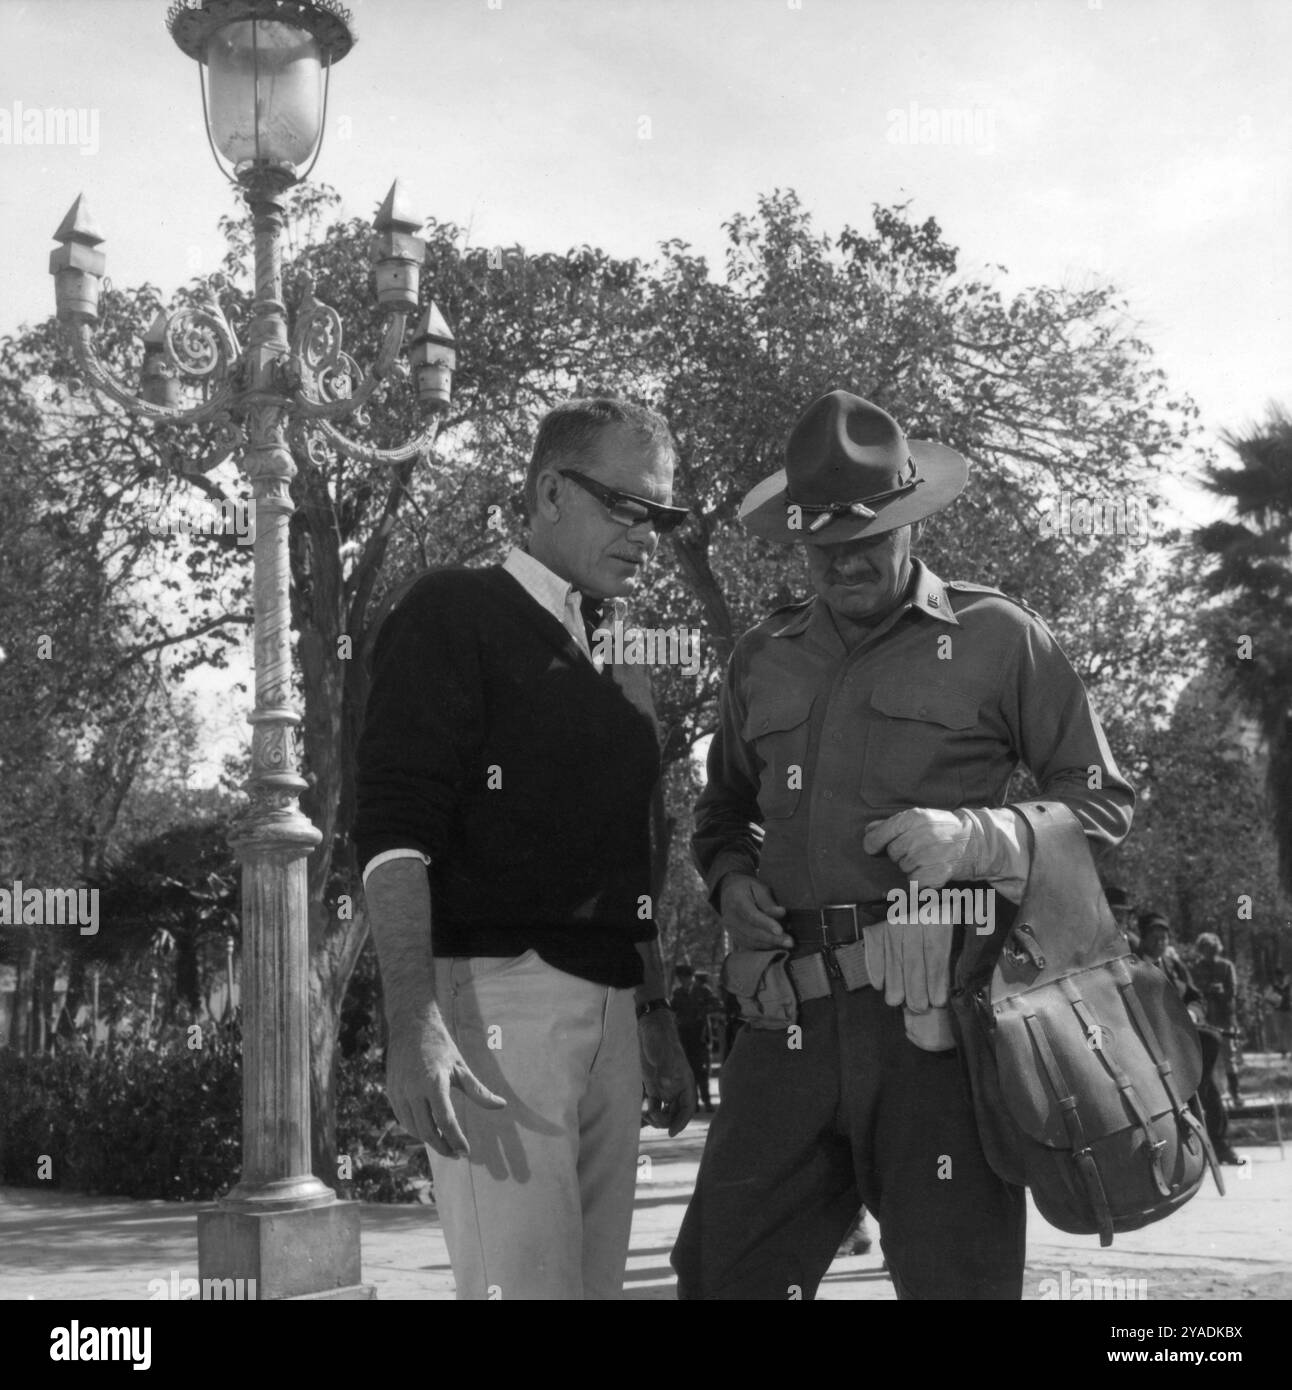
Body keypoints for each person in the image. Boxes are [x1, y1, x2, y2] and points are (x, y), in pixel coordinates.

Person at [672, 390, 1135, 1301]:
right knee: (722, 1276)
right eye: (822, 545)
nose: (844, 560)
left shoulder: (1001, 638)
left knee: (956, 1284)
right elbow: (723, 812)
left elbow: (1104, 803)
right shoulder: (761, 655)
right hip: (787, 1019)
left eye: (867, 536)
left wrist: (980, 837)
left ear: (910, 521)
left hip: (940, 1029)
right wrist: (729, 882)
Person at [354, 396, 697, 1300]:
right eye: (627, 506)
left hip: (616, 1014)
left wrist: (657, 1012)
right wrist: (412, 1020)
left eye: (662, 516)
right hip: (495, 1009)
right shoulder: (451, 611)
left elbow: (635, 855)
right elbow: (393, 835)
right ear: (549, 491)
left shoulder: (622, 654)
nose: (648, 534)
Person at [1137, 914, 1243, 1166]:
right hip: (1154, 1046)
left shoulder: (1174, 965)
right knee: (1205, 1058)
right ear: (1143, 939)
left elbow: (1195, 997)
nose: (1161, 942)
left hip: (1184, 1042)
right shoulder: (1134, 967)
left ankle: (1219, 1144)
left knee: (1208, 1074)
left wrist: (1194, 1013)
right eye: (1155, 938)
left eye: (1164, 938)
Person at [1191, 932, 1241, 1107]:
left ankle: (1235, 1094)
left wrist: (1220, 991)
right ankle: (1215, 1099)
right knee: (1210, 1059)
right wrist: (1206, 989)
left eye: (1212, 949)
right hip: (1206, 1018)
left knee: (1229, 1057)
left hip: (1225, 1017)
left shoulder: (1226, 966)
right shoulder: (1197, 967)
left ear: (1217, 949)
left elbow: (1233, 991)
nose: (1209, 953)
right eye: (1205, 949)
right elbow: (1193, 992)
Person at [671, 964, 717, 1111]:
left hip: (701, 1035)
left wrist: (702, 1011)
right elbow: (673, 1011)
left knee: (703, 1070)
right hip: (685, 1036)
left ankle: (707, 1101)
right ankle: (694, 1102)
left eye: (685, 977)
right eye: (681, 978)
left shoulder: (703, 991)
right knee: (689, 1071)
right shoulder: (678, 994)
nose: (683, 980)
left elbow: (716, 1004)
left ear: (691, 977)